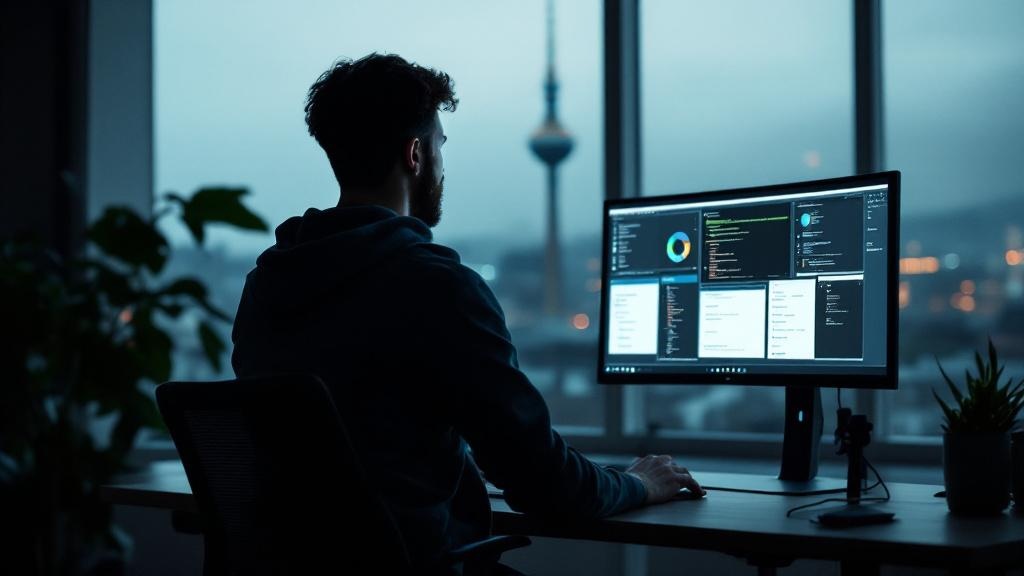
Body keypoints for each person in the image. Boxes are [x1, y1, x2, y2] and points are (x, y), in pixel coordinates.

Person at [231, 53, 703, 570]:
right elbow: (542, 482)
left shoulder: (265, 286)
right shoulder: (438, 287)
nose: (441, 162)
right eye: (440, 146)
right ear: (415, 154)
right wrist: (638, 484)